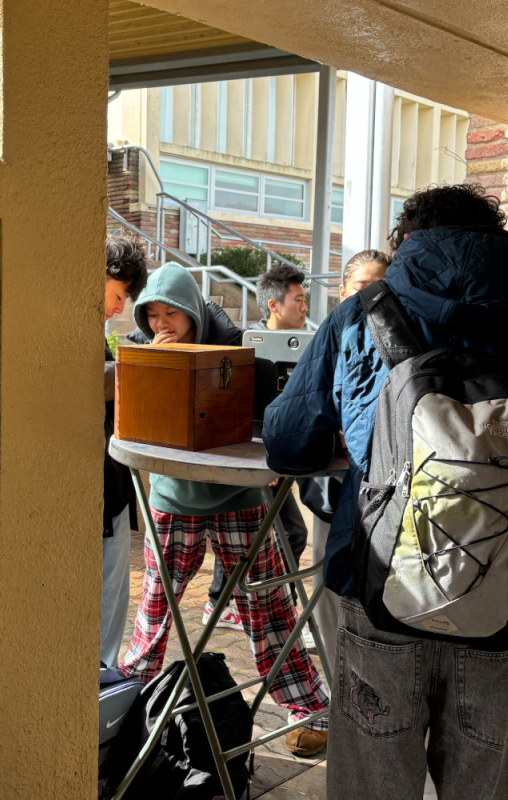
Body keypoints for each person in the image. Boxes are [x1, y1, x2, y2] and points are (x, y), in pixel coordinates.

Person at [264, 184, 508, 798]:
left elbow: (289, 446)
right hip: (499, 590)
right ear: (494, 238)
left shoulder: (360, 314)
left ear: (406, 243)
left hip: (379, 588)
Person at [120, 262, 331, 757]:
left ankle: (308, 707)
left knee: (269, 608)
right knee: (156, 605)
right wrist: (157, 367)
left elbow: (264, 408)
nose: (160, 324)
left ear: (193, 309)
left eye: (171, 313)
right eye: (151, 314)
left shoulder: (236, 344)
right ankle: (128, 705)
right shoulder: (141, 349)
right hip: (174, 496)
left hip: (239, 493)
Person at [298, 248, 393, 673]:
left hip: (381, 485)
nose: (372, 297)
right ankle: (336, 681)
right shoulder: (329, 337)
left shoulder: (398, 343)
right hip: (333, 483)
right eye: (362, 287)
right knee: (327, 577)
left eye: (382, 288)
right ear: (341, 292)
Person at [203, 264, 311, 632]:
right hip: (253, 456)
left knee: (264, 530)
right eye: (298, 300)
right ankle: (236, 604)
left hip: (279, 456)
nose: (305, 308)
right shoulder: (246, 349)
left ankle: (228, 602)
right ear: (274, 305)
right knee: (282, 531)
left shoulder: (307, 350)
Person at [101, 231, 149, 668]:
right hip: (103, 491)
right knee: (106, 602)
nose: (120, 308)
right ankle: (101, 689)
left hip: (110, 490)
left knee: (112, 599)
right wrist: (145, 367)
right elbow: (90, 381)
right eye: (119, 296)